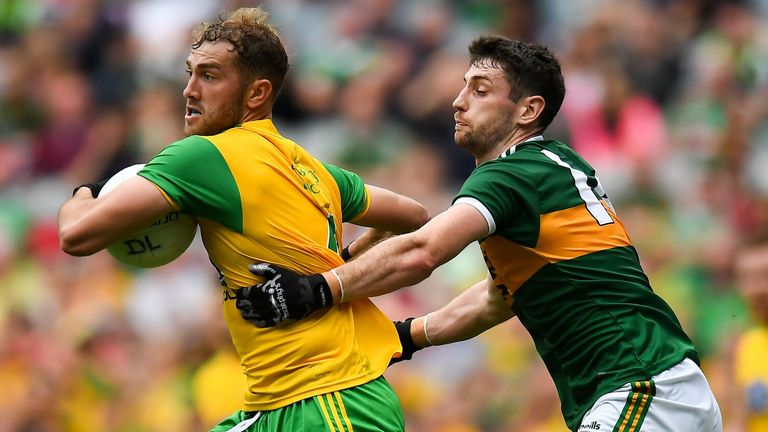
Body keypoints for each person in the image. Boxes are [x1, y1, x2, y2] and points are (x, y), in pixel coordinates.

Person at [236, 35, 723, 432]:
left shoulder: (512, 173)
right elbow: (495, 299)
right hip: (661, 388)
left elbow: (424, 250)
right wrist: (403, 337)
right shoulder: (548, 167)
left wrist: (316, 290)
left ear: (528, 111)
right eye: (463, 87)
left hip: (639, 386)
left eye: (481, 90)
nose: (458, 101)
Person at [57, 7, 429, 432]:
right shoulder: (311, 167)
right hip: (286, 402)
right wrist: (346, 256)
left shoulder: (203, 156)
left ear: (256, 94)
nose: (189, 90)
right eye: (190, 73)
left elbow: (76, 236)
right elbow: (412, 214)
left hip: (330, 402)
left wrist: (87, 191)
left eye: (210, 76)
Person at [727, 230, 768, 432]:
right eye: (749, 278)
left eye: (766, 275)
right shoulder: (743, 346)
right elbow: (737, 423)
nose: (758, 289)